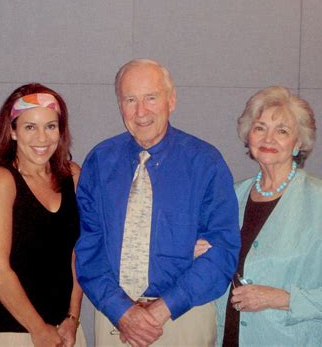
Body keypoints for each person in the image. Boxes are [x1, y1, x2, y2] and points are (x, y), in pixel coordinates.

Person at [75, 58, 240, 347]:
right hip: (116, 321)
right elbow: (89, 248)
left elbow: (223, 252)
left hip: (182, 319)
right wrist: (122, 310)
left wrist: (163, 308)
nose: (141, 112)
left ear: (171, 100)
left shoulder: (205, 163)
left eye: (151, 98)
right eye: (130, 99)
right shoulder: (100, 162)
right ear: (120, 105)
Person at [213, 86, 322, 346]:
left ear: (298, 143)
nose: (269, 139)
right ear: (249, 136)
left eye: (282, 131)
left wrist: (281, 298)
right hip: (230, 336)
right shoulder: (231, 197)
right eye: (260, 128)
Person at [0, 83, 86, 347]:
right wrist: (38, 329)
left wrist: (73, 317)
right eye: (30, 127)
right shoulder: (1, 181)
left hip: (65, 333)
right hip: (13, 332)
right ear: (13, 131)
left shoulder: (72, 176)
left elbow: (78, 255)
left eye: (51, 126)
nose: (43, 138)